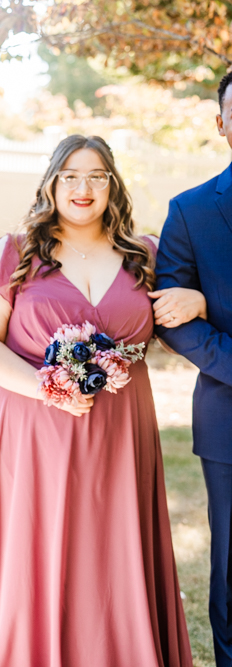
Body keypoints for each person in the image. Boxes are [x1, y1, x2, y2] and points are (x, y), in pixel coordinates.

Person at [0, 134, 198, 666]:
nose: (83, 187)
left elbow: (180, 317)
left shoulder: (146, 254)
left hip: (119, 429)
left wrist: (198, 296)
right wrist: (49, 389)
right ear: (51, 183)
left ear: (112, 185)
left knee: (113, 557)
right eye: (70, 175)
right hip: (27, 427)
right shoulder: (14, 251)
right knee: (34, 557)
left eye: (96, 175)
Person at [154, 70, 232, 667]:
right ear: (221, 124)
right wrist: (202, 306)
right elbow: (174, 319)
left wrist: (217, 304)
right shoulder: (190, 211)